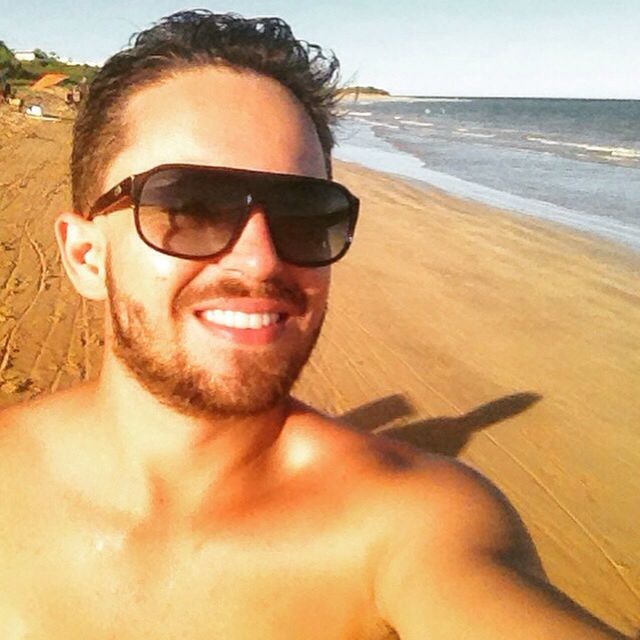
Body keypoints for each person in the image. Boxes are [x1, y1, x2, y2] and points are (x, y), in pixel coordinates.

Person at [0, 10, 631, 640]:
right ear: (86, 256)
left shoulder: (410, 520)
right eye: (190, 205)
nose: (261, 258)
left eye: (305, 214)